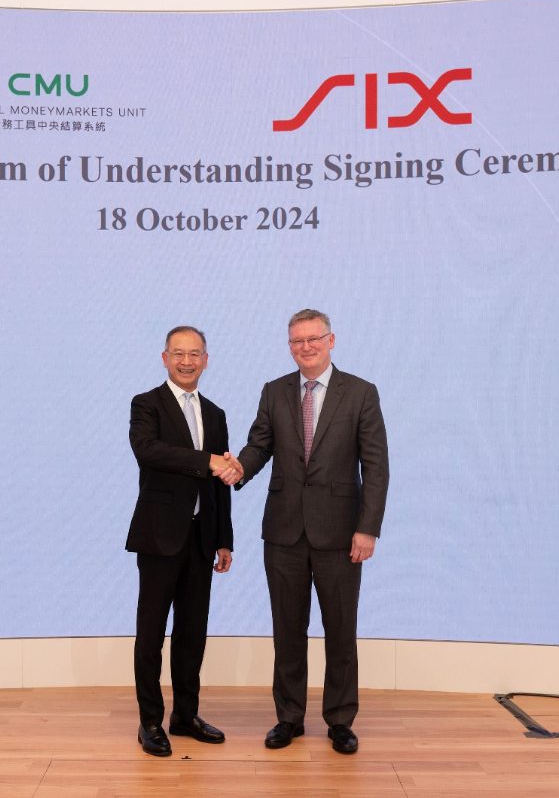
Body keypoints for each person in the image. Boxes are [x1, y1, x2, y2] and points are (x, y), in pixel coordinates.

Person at [234, 309, 389, 755]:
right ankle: (289, 718)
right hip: (283, 532)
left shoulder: (360, 392)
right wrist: (238, 468)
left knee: (341, 631)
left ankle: (340, 720)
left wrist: (367, 528)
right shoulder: (274, 391)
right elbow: (260, 445)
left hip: (340, 534)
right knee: (287, 630)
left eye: (313, 339)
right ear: (289, 346)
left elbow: (376, 466)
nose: (305, 347)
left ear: (330, 340)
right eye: (297, 341)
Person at [126, 325, 240, 757]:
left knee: (193, 632)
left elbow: (220, 483)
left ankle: (185, 715)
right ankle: (150, 721)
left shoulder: (215, 413)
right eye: (179, 353)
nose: (187, 361)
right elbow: (148, 450)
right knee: (151, 633)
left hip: (201, 538)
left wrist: (224, 539)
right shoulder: (146, 404)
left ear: (206, 360)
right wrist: (206, 460)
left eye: (195, 354)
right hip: (159, 536)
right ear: (165, 358)